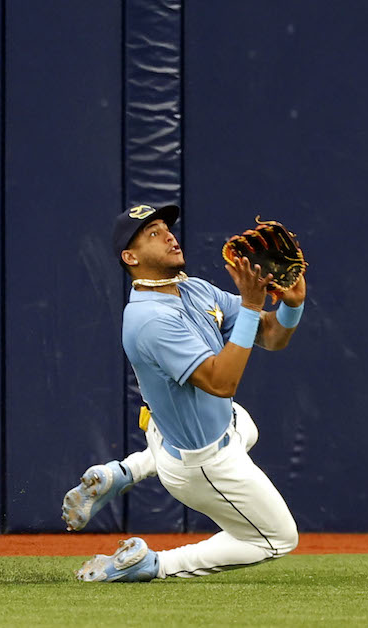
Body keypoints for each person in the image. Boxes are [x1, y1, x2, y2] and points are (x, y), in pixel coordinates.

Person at [62, 203, 306, 582]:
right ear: (131, 256)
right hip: (203, 463)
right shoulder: (150, 320)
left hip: (180, 427)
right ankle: (155, 564)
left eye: (166, 227)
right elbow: (221, 382)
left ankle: (126, 471)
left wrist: (292, 305)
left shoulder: (194, 289)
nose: (169, 236)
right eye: (153, 233)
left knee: (247, 425)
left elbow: (270, 336)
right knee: (277, 539)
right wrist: (253, 303)